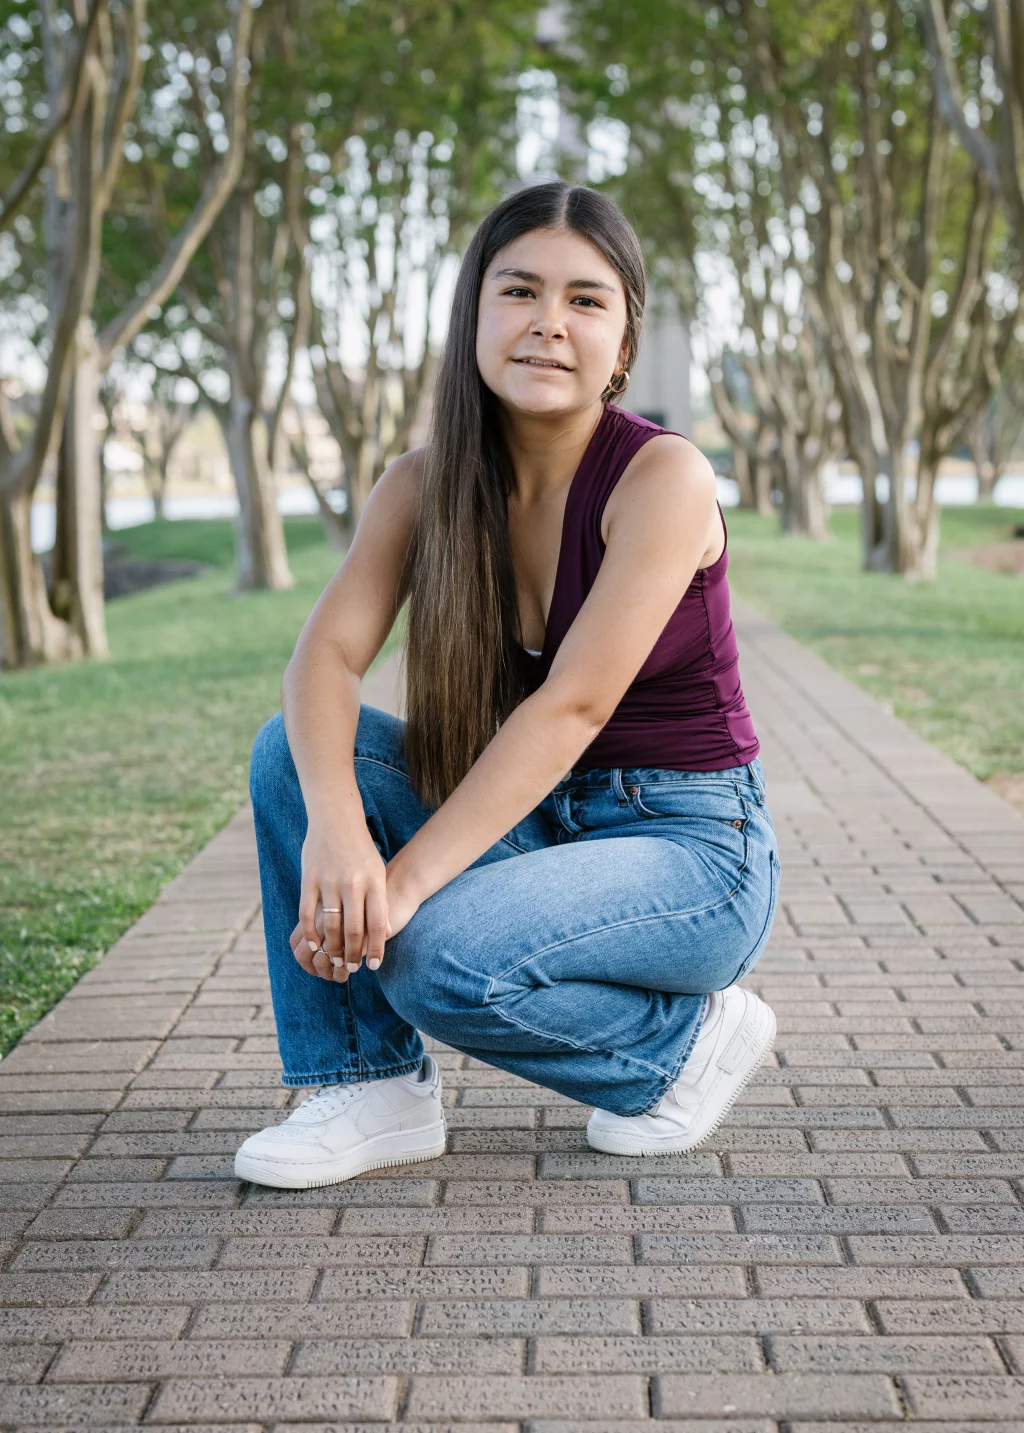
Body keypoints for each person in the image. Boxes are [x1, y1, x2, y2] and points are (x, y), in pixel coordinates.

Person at [235, 180, 780, 1191]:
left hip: (691, 848)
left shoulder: (663, 478)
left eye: (585, 300)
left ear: (622, 343)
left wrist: (392, 892)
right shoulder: (423, 484)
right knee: (295, 749)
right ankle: (370, 1084)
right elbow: (325, 658)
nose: (547, 324)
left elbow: (570, 708)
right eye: (519, 290)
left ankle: (682, 1044)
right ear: (473, 317)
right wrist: (337, 828)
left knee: (434, 953)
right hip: (543, 824)